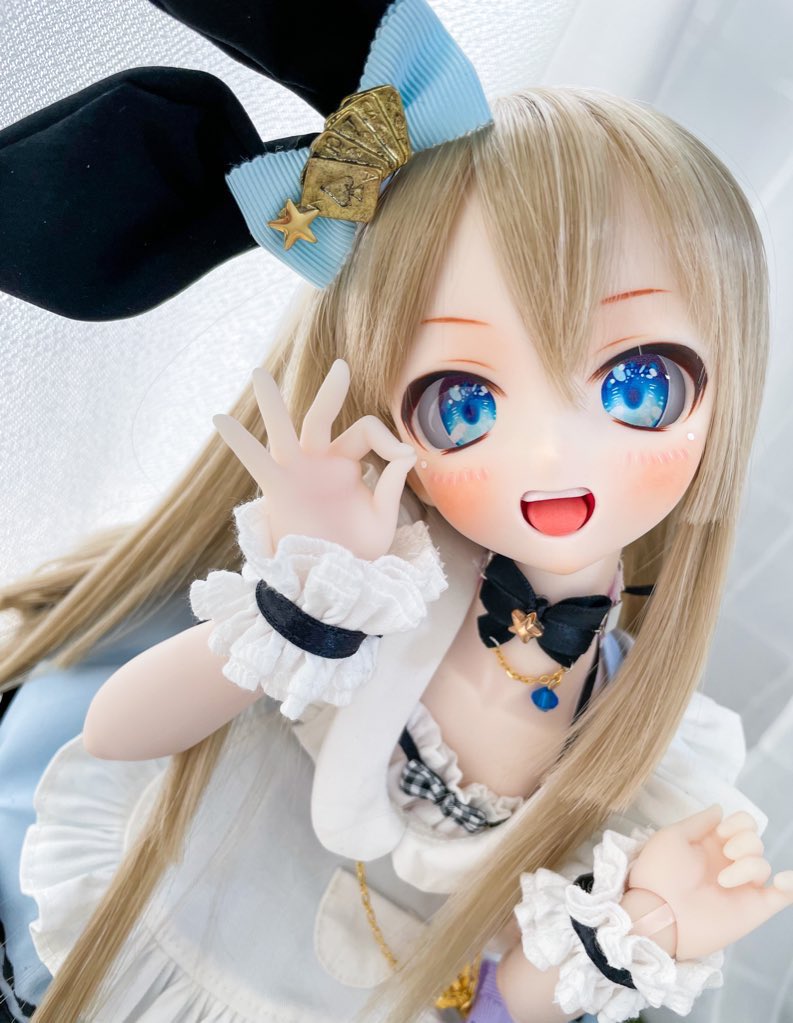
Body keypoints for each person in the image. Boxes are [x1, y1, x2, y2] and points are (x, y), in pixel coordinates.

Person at [0, 2, 791, 1021]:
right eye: (464, 403)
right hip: (205, 931)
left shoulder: (648, 740)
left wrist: (637, 928)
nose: (551, 457)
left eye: (639, 386)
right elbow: (116, 734)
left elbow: (502, 998)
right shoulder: (375, 584)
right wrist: (299, 603)